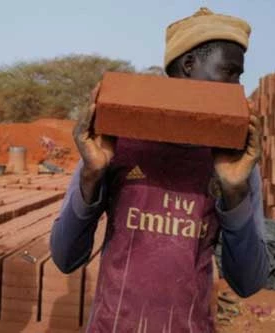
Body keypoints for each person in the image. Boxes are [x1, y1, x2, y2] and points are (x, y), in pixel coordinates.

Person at [50, 8, 270, 333]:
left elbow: (249, 282)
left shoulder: (233, 158)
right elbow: (65, 257)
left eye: (240, 76)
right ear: (188, 65)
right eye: (230, 73)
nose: (238, 88)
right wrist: (91, 175)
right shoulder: (118, 137)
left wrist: (235, 193)